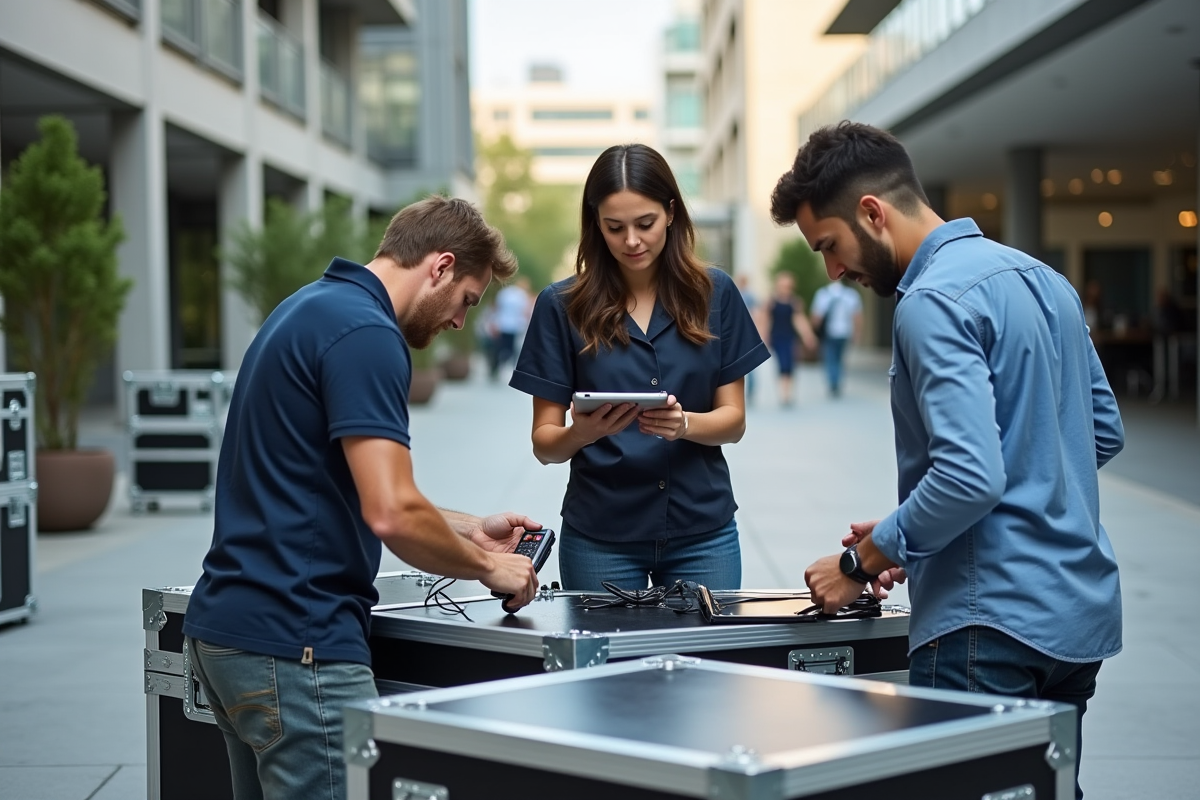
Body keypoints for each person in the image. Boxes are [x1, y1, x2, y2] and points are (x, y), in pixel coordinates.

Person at [771, 122, 1123, 800]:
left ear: (872, 212)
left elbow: (970, 476)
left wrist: (862, 560)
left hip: (984, 627)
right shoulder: (1045, 280)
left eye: (830, 246)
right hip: (1077, 621)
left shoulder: (930, 302)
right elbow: (1098, 433)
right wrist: (922, 528)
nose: (834, 271)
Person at [182, 196, 542, 800]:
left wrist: (470, 529)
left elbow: (342, 486)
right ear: (441, 267)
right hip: (299, 649)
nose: (461, 321)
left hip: (230, 635)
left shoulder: (307, 308)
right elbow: (392, 511)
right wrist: (490, 567)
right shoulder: (368, 334)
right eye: (467, 300)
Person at [510, 143, 769, 592]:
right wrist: (582, 433)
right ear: (596, 224)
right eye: (615, 227)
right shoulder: (561, 306)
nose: (632, 240)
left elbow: (734, 422)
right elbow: (544, 444)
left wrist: (683, 424)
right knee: (604, 662)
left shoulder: (716, 293)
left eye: (645, 224)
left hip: (702, 532)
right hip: (600, 536)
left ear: (671, 212)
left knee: (706, 660)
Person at [765, 271, 817, 407]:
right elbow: (765, 320)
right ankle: (784, 394)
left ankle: (788, 392)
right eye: (782, 285)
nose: (785, 288)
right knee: (782, 364)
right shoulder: (772, 302)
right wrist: (763, 336)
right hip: (776, 337)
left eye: (787, 286)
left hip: (790, 337)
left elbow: (799, 320)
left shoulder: (795, 302)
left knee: (791, 365)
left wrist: (808, 336)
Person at [809, 278, 862, 396]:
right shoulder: (851, 294)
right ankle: (837, 381)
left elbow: (817, 316)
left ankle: (833, 382)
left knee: (830, 358)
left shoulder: (823, 294)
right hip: (845, 331)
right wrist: (857, 333)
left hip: (829, 332)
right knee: (840, 358)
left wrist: (814, 332)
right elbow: (857, 316)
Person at [489, 274, 533, 380]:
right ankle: (507, 365)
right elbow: (525, 312)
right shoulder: (522, 295)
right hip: (514, 326)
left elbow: (497, 308)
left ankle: (496, 366)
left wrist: (494, 322)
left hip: (502, 324)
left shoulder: (504, 293)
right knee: (511, 349)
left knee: (500, 348)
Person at [735, 273, 762, 401]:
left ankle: (751, 388)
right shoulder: (735, 292)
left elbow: (755, 312)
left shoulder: (749, 295)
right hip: (738, 330)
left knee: (749, 361)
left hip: (746, 329)